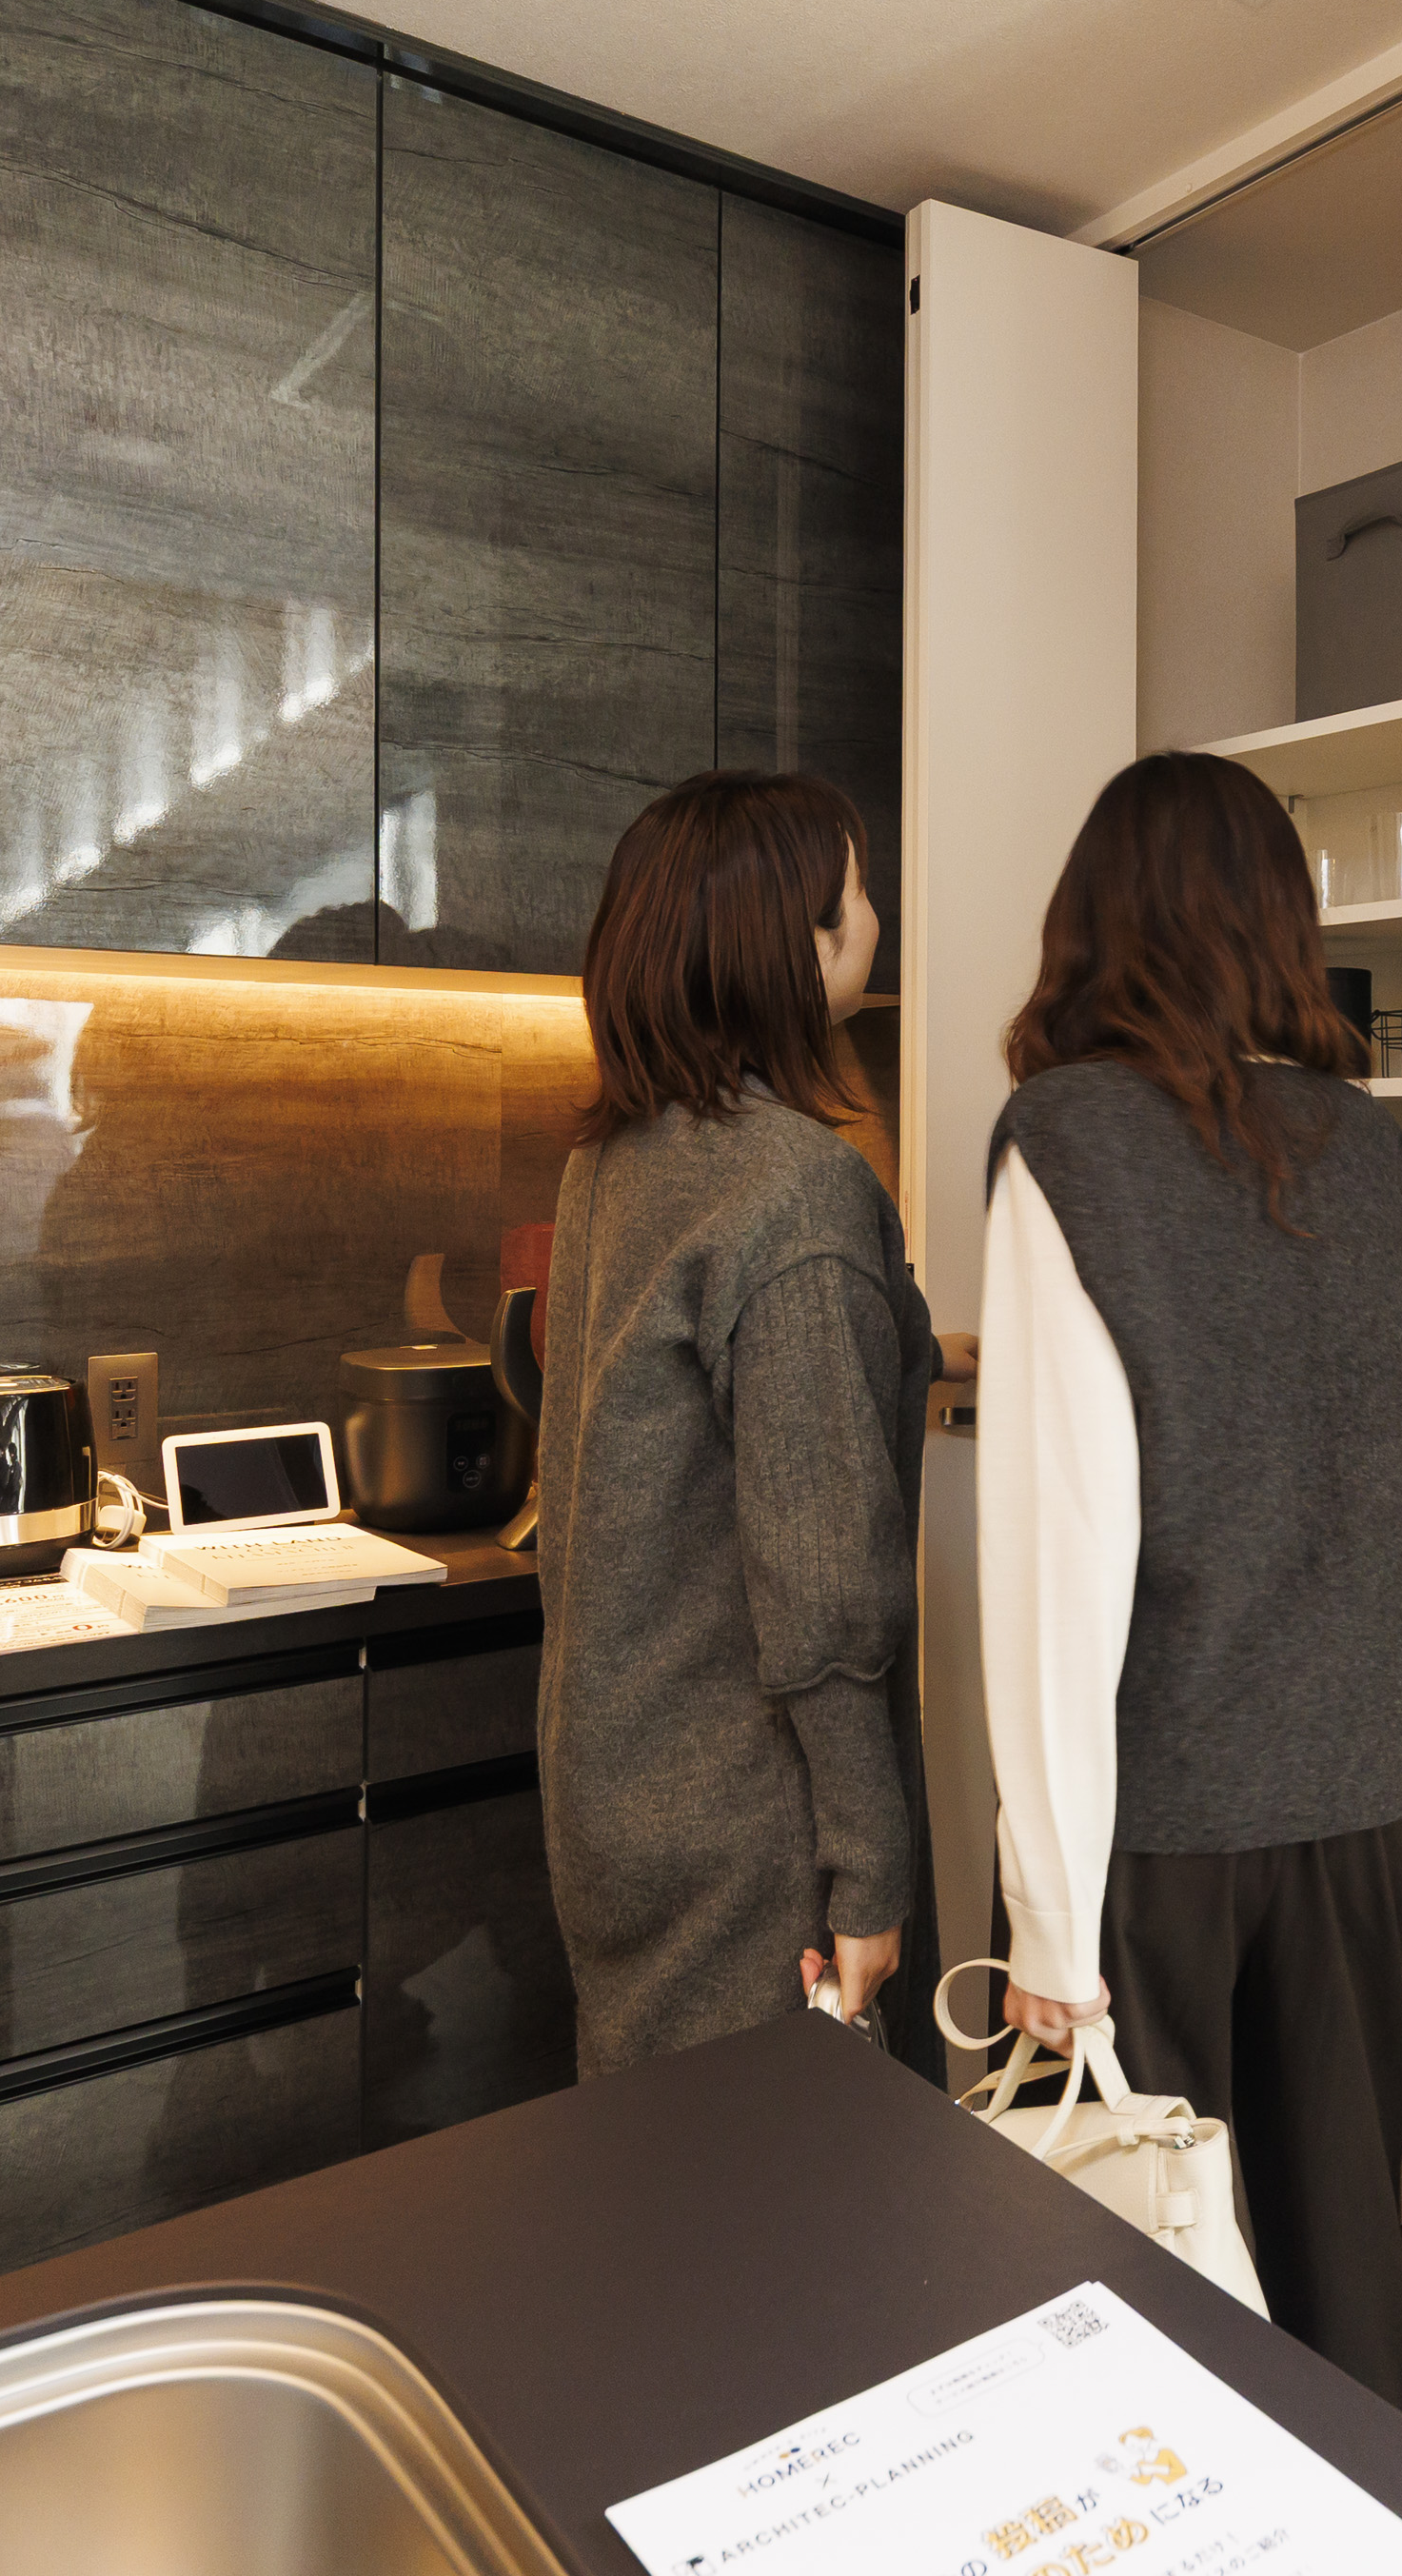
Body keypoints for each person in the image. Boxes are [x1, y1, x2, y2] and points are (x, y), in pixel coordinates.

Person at [977, 749, 1402, 2420]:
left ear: (1096, 918)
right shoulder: (1370, 1148)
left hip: (1165, 1809)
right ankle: (1388, 2516)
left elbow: (1061, 1543)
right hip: (1363, 1782)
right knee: (1345, 2249)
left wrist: (1049, 1910)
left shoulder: (1069, 1139)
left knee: (1134, 2269)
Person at [531, 769, 946, 2079]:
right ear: (792, 942)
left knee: (658, 2172)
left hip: (615, 1788)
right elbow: (823, 1590)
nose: (875, 917)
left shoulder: (613, 1160)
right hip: (752, 1823)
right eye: (856, 893)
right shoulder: (796, 1189)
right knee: (790, 2181)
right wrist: (868, 1868)